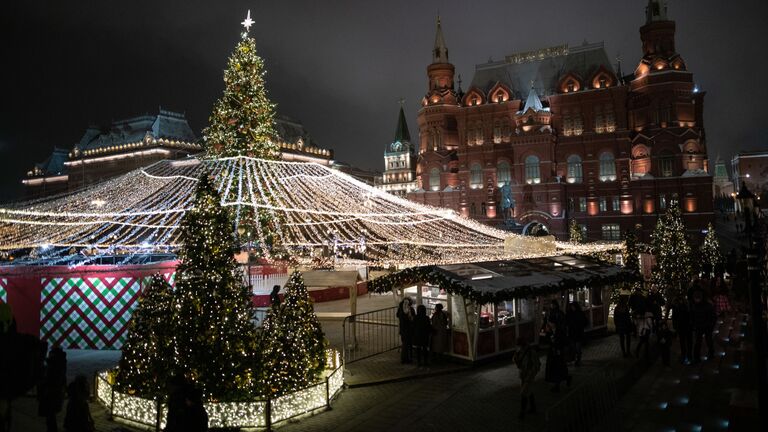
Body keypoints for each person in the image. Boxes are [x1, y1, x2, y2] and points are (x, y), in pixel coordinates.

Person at [38, 346, 67, 432]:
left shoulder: (54, 367)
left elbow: (51, 379)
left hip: (51, 394)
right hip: (55, 393)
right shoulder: (60, 364)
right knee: (51, 415)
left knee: (50, 416)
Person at [513, 337, 541, 420]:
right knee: (529, 391)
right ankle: (533, 407)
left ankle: (522, 412)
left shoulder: (531, 352)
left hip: (529, 375)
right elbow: (517, 361)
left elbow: (537, 365)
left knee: (524, 393)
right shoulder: (520, 351)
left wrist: (532, 373)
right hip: (523, 374)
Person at [544, 322, 571, 392]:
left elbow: (564, 341)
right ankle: (565, 379)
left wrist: (558, 347)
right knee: (558, 368)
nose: (549, 325)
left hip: (558, 353)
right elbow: (548, 341)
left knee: (558, 368)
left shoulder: (559, 331)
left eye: (550, 323)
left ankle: (558, 385)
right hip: (553, 353)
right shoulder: (550, 332)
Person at [690, 290, 716, 363]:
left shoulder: (708, 306)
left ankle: (711, 354)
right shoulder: (694, 305)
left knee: (709, 340)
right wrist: (693, 324)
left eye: (697, 298)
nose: (696, 300)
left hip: (707, 327)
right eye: (695, 298)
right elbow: (692, 316)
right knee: (698, 342)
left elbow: (713, 317)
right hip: (699, 327)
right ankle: (696, 357)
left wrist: (711, 326)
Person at [670, 296, 693, 364]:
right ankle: (687, 354)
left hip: (684, 326)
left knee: (685, 341)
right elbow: (674, 317)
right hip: (684, 326)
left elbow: (674, 317)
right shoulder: (686, 305)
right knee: (686, 341)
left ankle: (686, 354)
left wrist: (675, 326)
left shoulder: (680, 306)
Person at [565, 302, 587, 366]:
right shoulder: (570, 314)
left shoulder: (579, 313)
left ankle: (578, 359)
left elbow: (585, 321)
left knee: (578, 347)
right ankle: (575, 359)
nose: (572, 308)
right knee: (574, 347)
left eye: (573, 306)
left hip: (578, 333)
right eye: (571, 306)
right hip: (572, 333)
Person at [396, 297, 415, 364]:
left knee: (404, 344)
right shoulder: (410, 310)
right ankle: (407, 359)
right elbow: (413, 318)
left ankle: (404, 358)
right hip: (409, 329)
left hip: (402, 329)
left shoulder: (400, 309)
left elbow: (397, 315)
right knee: (408, 345)